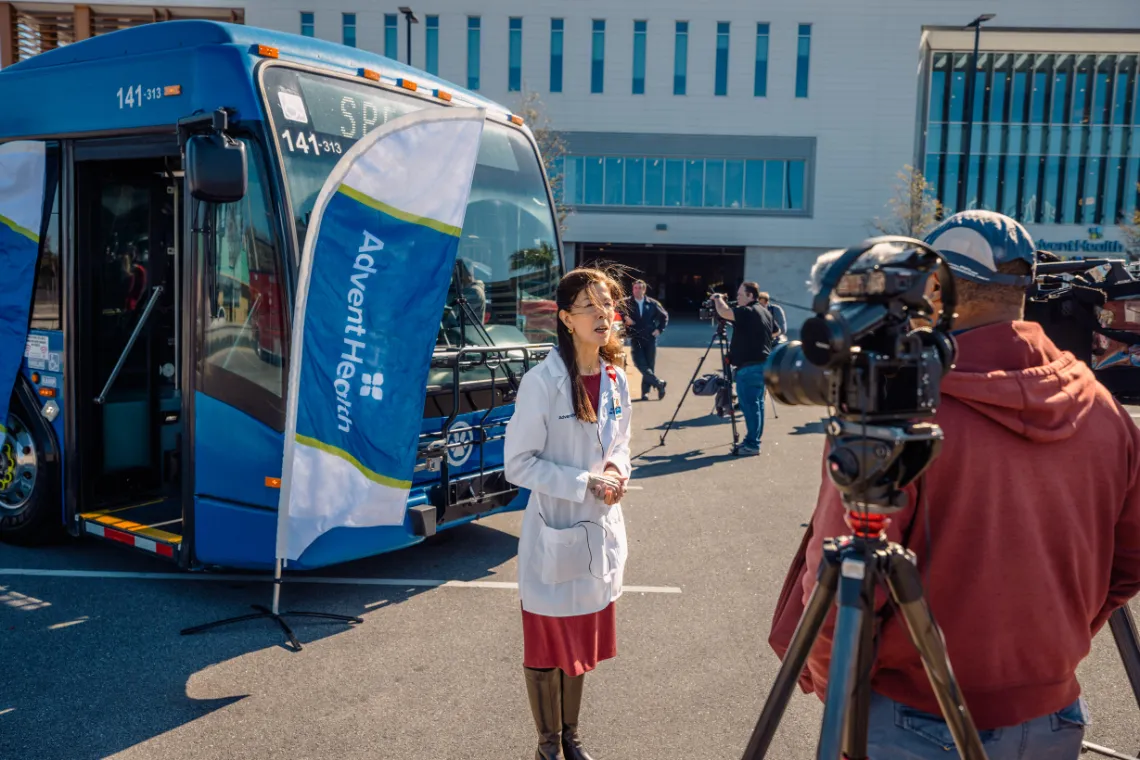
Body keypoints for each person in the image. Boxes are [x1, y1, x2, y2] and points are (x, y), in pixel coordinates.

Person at [769, 209, 1140, 759]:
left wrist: (839, 698)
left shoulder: (896, 411)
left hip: (911, 721)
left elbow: (844, 587)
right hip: (1054, 718)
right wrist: (1056, 641)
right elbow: (1130, 559)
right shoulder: (1103, 408)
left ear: (935, 293)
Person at [505, 267, 633, 760]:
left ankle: (573, 737)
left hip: (598, 527)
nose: (602, 315)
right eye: (589, 307)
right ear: (565, 318)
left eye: (606, 305)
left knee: (579, 642)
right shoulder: (543, 382)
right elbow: (518, 464)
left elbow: (621, 444)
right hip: (555, 530)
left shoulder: (617, 378)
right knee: (546, 646)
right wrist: (585, 483)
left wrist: (616, 473)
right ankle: (547, 745)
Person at [712, 282, 775, 456]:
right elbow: (775, 331)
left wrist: (717, 298)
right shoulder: (764, 311)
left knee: (750, 407)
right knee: (758, 405)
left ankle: (753, 445)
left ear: (751, 296)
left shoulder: (747, 311)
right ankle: (752, 441)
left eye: (740, 295)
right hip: (763, 365)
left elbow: (724, 312)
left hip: (749, 367)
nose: (737, 297)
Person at [622, 279, 669, 401]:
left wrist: (659, 329)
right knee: (640, 364)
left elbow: (664, 317)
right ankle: (659, 383)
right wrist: (625, 317)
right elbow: (616, 310)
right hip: (635, 337)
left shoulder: (652, 303)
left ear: (644, 290)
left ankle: (645, 393)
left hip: (650, 338)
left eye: (639, 288)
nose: (637, 290)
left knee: (649, 365)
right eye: (635, 288)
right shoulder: (627, 302)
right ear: (633, 289)